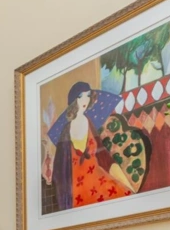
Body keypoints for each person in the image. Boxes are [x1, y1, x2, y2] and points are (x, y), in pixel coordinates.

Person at [46, 81, 136, 211]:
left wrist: (127, 185)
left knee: (122, 196)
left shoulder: (90, 125)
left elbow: (104, 157)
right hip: (76, 189)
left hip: (98, 180)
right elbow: (59, 173)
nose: (85, 100)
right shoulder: (66, 131)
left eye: (88, 95)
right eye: (80, 96)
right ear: (73, 101)